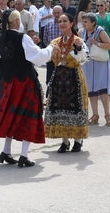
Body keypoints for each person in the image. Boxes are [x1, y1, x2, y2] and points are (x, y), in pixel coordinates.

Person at [0, 10, 60, 168]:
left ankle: (6, 152)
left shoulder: (1, 39)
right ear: (16, 21)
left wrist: (31, 46)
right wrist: (51, 48)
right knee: (28, 115)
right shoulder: (23, 37)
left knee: (11, 115)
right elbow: (38, 58)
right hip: (24, 82)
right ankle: (23, 155)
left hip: (7, 83)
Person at [45, 13, 89, 153]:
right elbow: (46, 55)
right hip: (59, 78)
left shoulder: (78, 41)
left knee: (75, 107)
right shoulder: (55, 42)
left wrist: (78, 48)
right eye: (60, 21)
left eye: (65, 21)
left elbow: (83, 59)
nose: (62, 23)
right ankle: (64, 141)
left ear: (71, 23)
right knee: (60, 108)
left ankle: (78, 140)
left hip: (74, 77)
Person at [80, 13, 110, 126]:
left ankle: (108, 116)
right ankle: (95, 115)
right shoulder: (82, 32)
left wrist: (97, 43)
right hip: (88, 64)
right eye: (83, 21)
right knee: (91, 90)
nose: (83, 24)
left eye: (86, 22)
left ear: (93, 22)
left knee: (102, 89)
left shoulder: (100, 31)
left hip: (100, 63)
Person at [42, 6, 63, 84]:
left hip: (63, 54)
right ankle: (49, 93)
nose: (56, 14)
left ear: (62, 13)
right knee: (50, 76)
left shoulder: (67, 25)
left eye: (58, 13)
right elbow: (45, 39)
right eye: (55, 13)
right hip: (51, 55)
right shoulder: (48, 25)